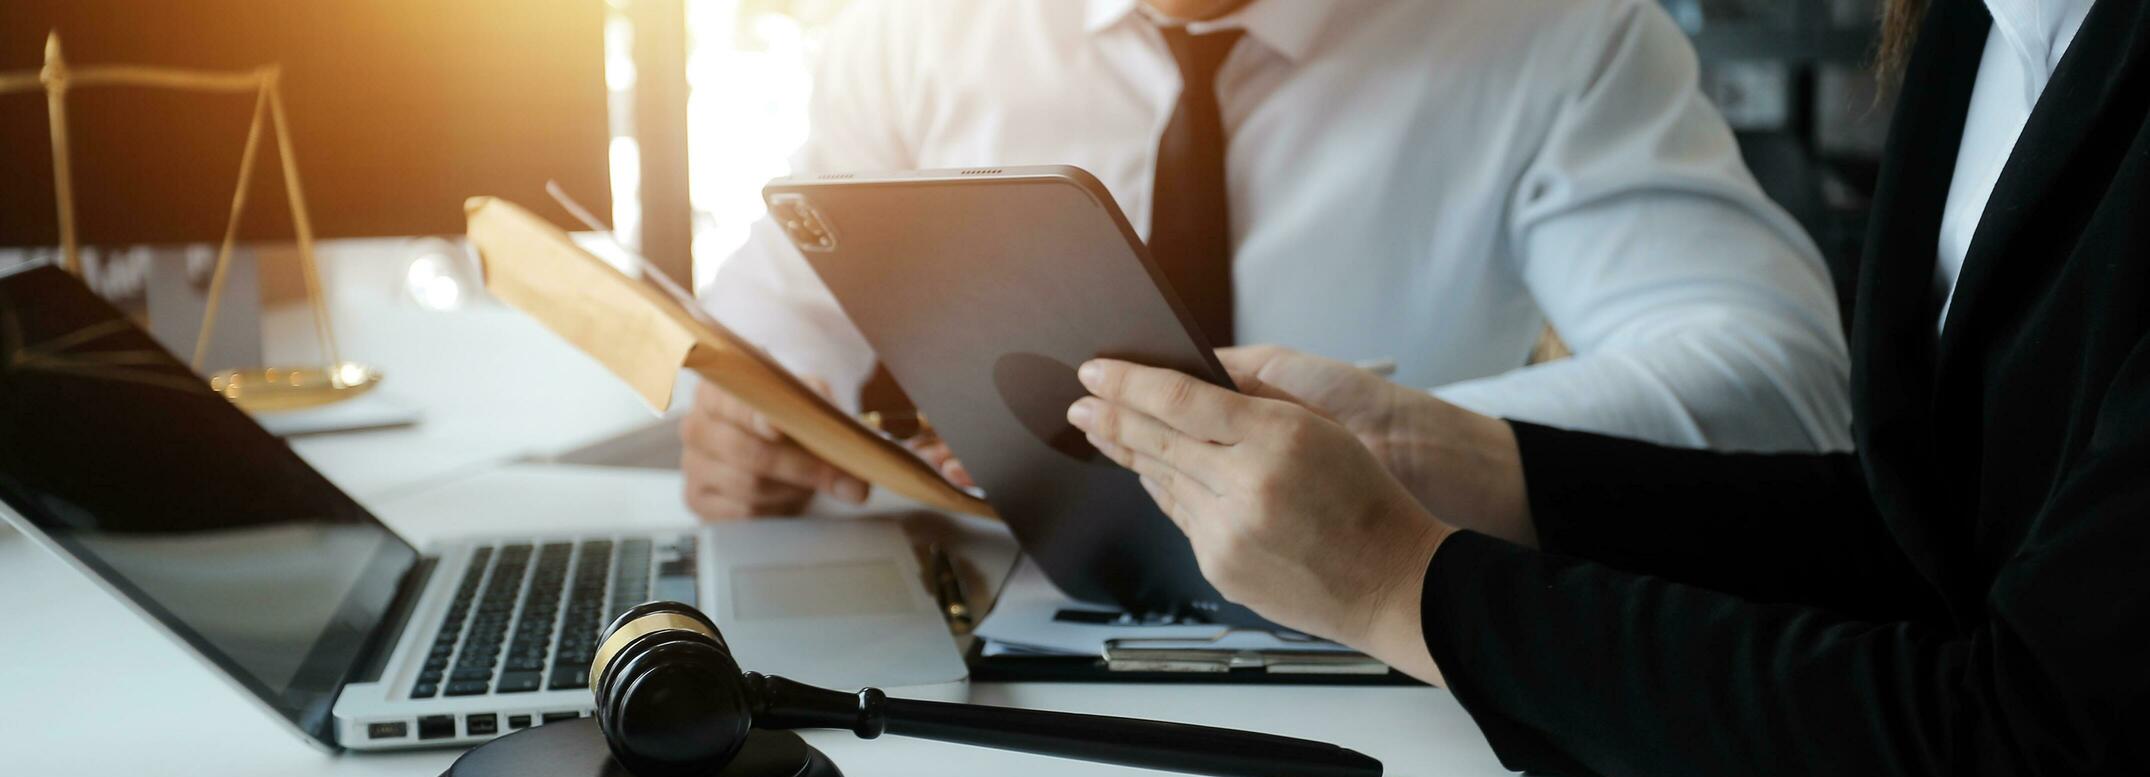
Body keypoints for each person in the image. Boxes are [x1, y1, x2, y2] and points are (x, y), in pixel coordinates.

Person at [1066, 0, 2144, 777]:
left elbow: (2059, 770)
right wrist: (1461, 460)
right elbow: (1932, 537)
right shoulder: (1982, 28)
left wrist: (1401, 583)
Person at [682, 0, 1855, 520]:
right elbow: (768, 318)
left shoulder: (1556, 34)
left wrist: (1398, 440)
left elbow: (1781, 381)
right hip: (983, 630)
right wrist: (750, 420)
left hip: (1386, 640)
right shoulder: (918, 29)